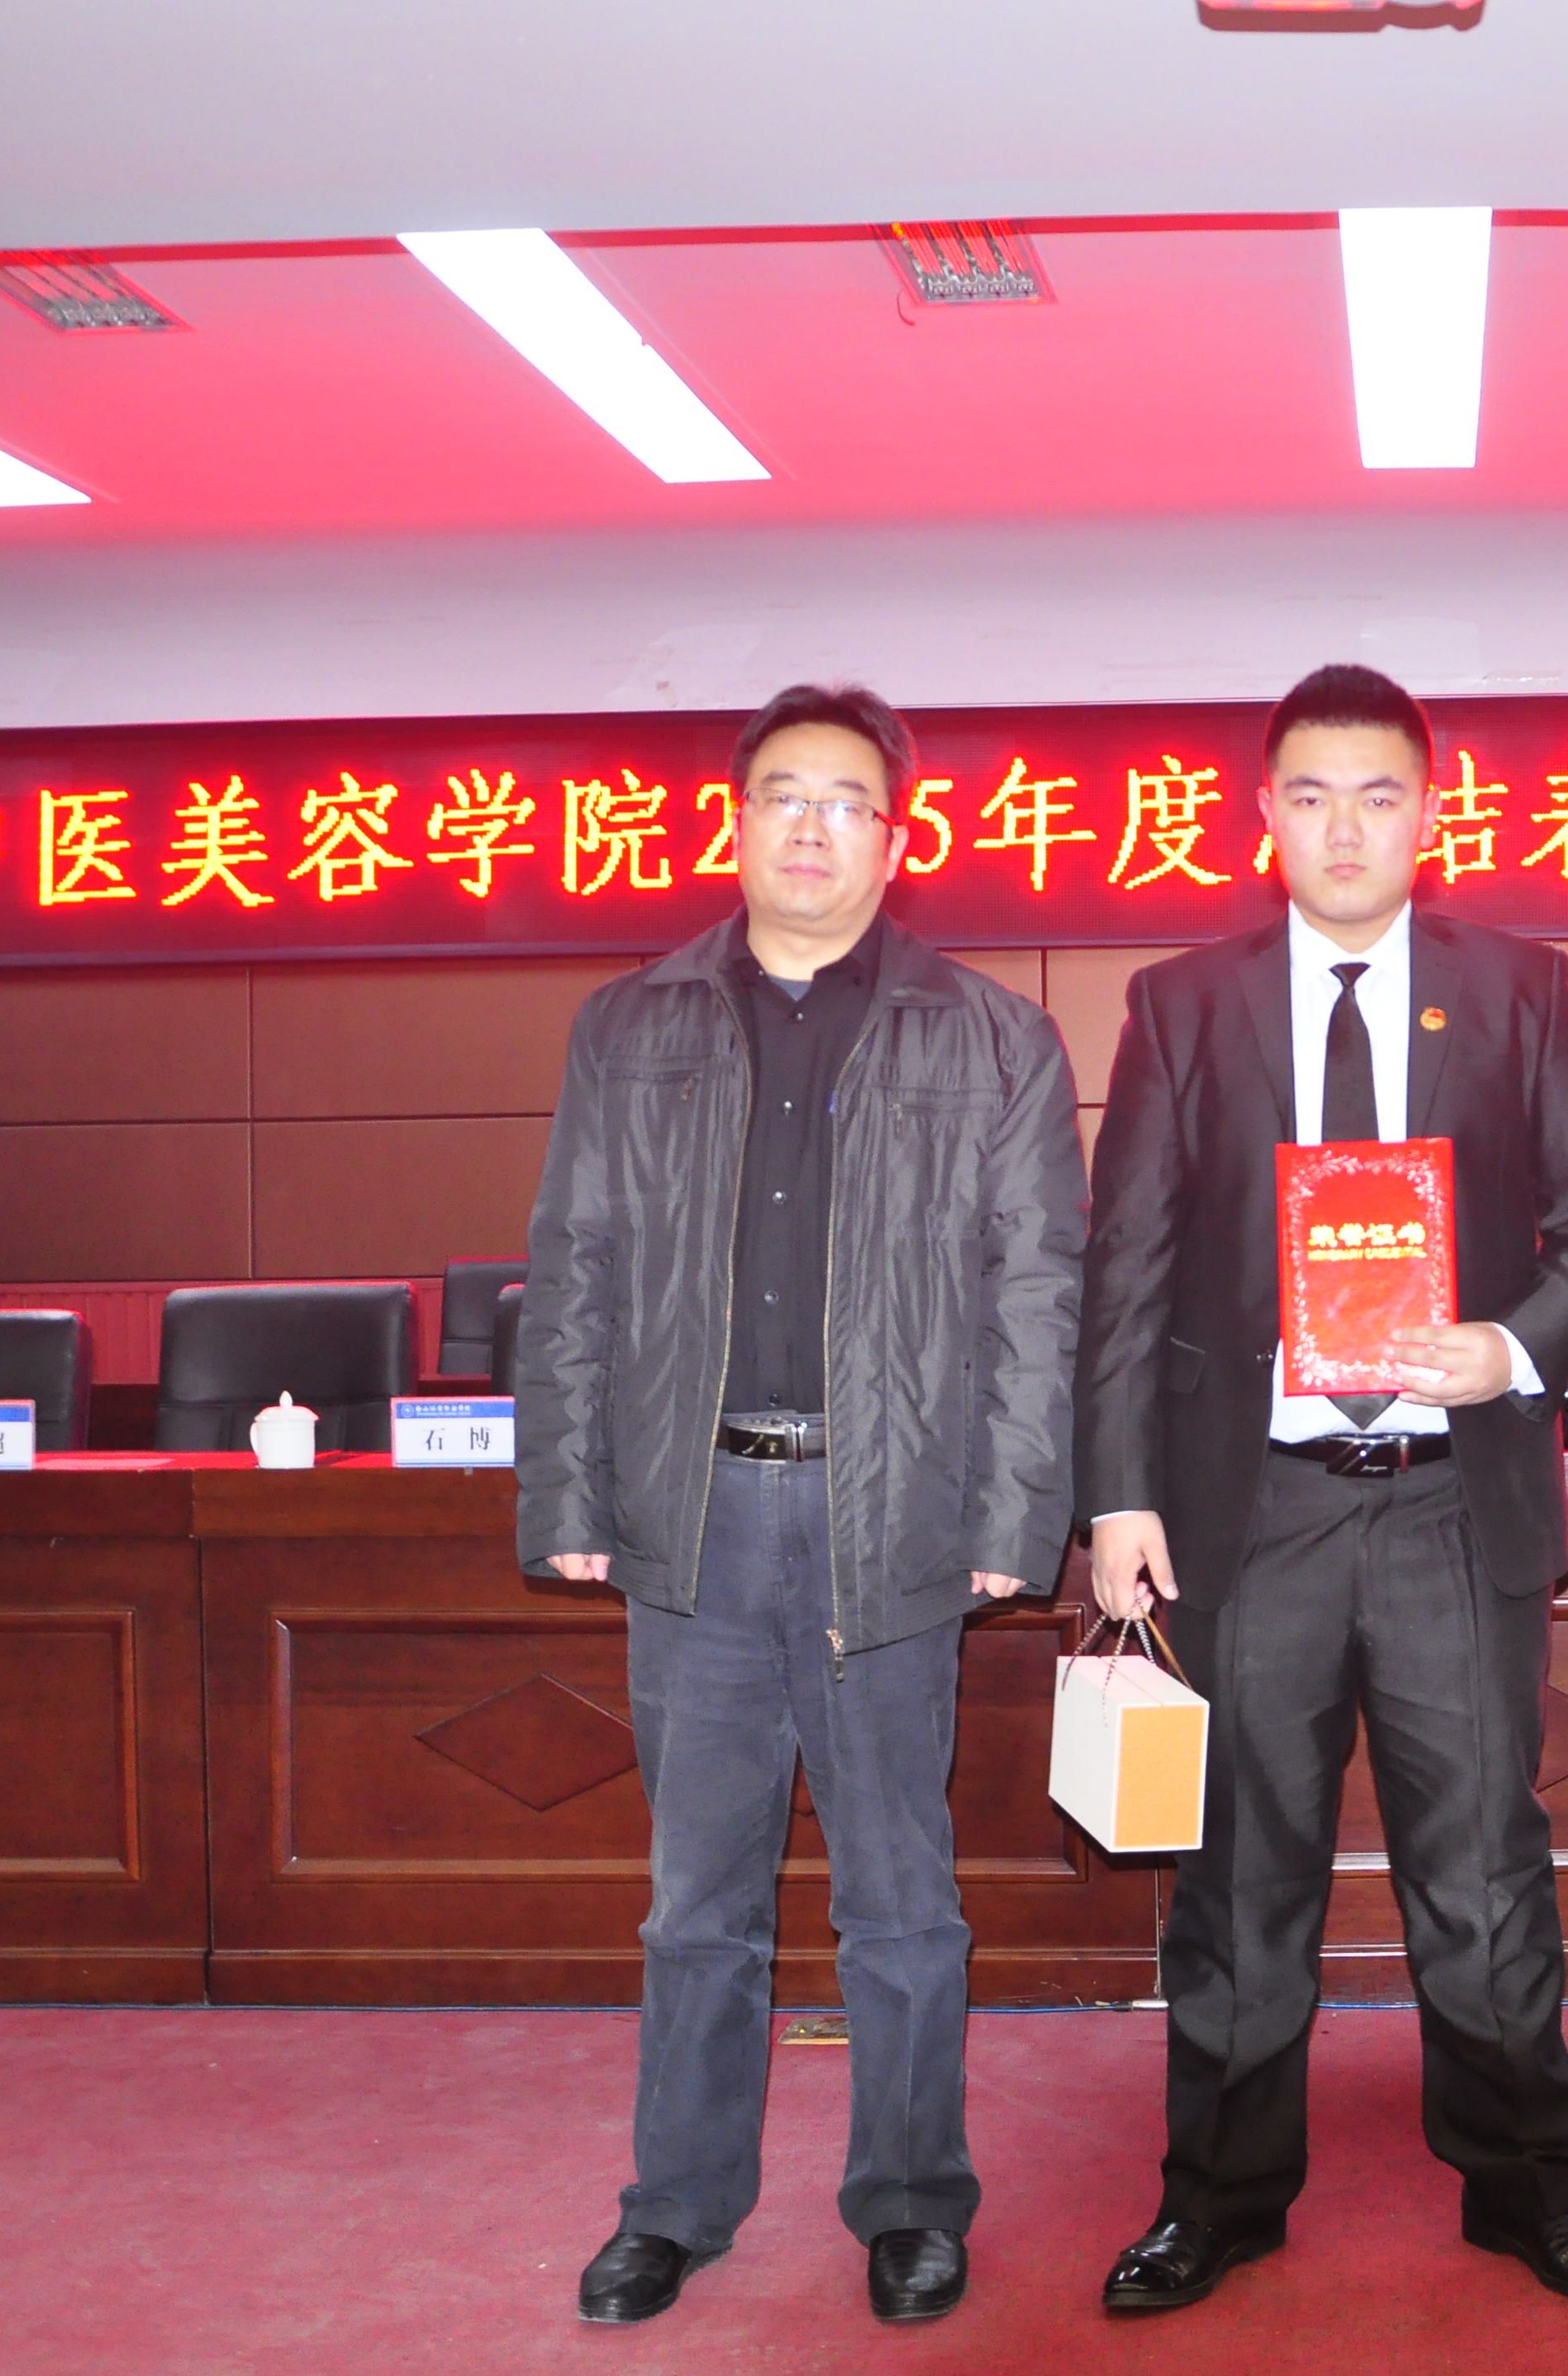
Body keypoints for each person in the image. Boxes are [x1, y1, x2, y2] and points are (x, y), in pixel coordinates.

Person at [1077, 664, 1568, 2313]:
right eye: (1313, 796)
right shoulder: (1182, 1004)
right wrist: (1114, 1495)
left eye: (1378, 795)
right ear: (1264, 814)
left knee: (1481, 1868)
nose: (1345, 829)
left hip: (1444, 1499)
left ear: (1427, 814)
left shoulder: (1518, 988)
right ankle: (1218, 2192)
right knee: (1238, 1870)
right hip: (1249, 1510)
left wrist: (1510, 1343)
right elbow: (1126, 1267)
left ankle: (1526, 2177)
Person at [513, 683, 1084, 2330]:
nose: (812, 826)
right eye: (783, 795)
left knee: (902, 1897)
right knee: (695, 1898)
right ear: (737, 820)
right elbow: (575, 1260)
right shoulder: (631, 1024)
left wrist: (1013, 1513)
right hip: (692, 1510)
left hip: (888, 1509)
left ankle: (910, 2201)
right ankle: (676, 2205)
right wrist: (570, 1483)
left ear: (895, 839)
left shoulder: (990, 1034)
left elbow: (1036, 1287)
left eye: (845, 800)